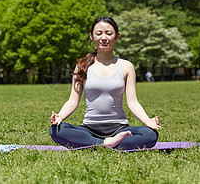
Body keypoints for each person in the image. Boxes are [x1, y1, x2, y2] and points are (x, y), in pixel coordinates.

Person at [49, 17, 161, 150]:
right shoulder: (82, 66)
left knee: (150, 134)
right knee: (56, 130)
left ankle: (95, 144)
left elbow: (133, 102)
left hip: (119, 128)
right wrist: (60, 116)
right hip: (89, 129)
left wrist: (148, 121)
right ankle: (107, 144)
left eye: (109, 33)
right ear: (91, 36)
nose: (104, 37)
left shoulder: (126, 66)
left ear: (117, 36)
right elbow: (73, 100)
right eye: (98, 33)